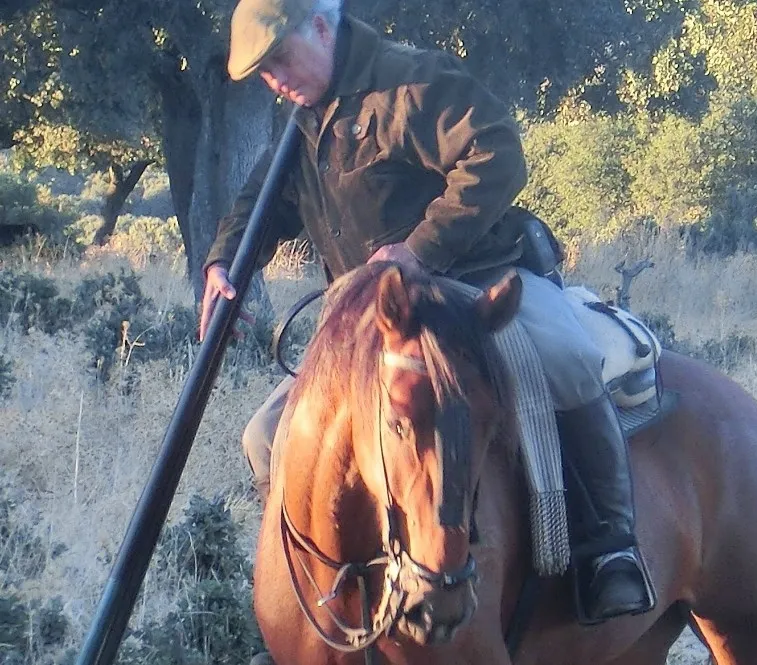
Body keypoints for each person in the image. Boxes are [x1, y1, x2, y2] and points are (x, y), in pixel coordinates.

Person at [202, 0, 655, 622]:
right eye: (263, 73)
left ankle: (610, 548)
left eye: (279, 58)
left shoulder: (411, 81)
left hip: (476, 279)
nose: (275, 79)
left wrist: (419, 251)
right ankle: (321, 593)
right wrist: (225, 260)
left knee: (570, 357)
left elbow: (497, 154)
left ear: (319, 26)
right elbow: (262, 203)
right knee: (265, 437)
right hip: (373, 316)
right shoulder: (303, 122)